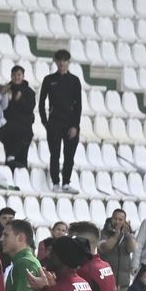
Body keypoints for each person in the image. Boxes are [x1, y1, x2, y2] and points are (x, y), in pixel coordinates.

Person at [39, 49, 82, 190]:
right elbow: (41, 102)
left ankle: (66, 183)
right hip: (55, 122)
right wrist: (45, 122)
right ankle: (56, 182)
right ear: (56, 62)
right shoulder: (49, 80)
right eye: (60, 60)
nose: (62, 63)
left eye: (65, 60)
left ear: (68, 62)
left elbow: (78, 105)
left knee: (69, 155)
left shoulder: (74, 81)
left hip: (70, 122)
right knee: (55, 154)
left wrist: (75, 125)